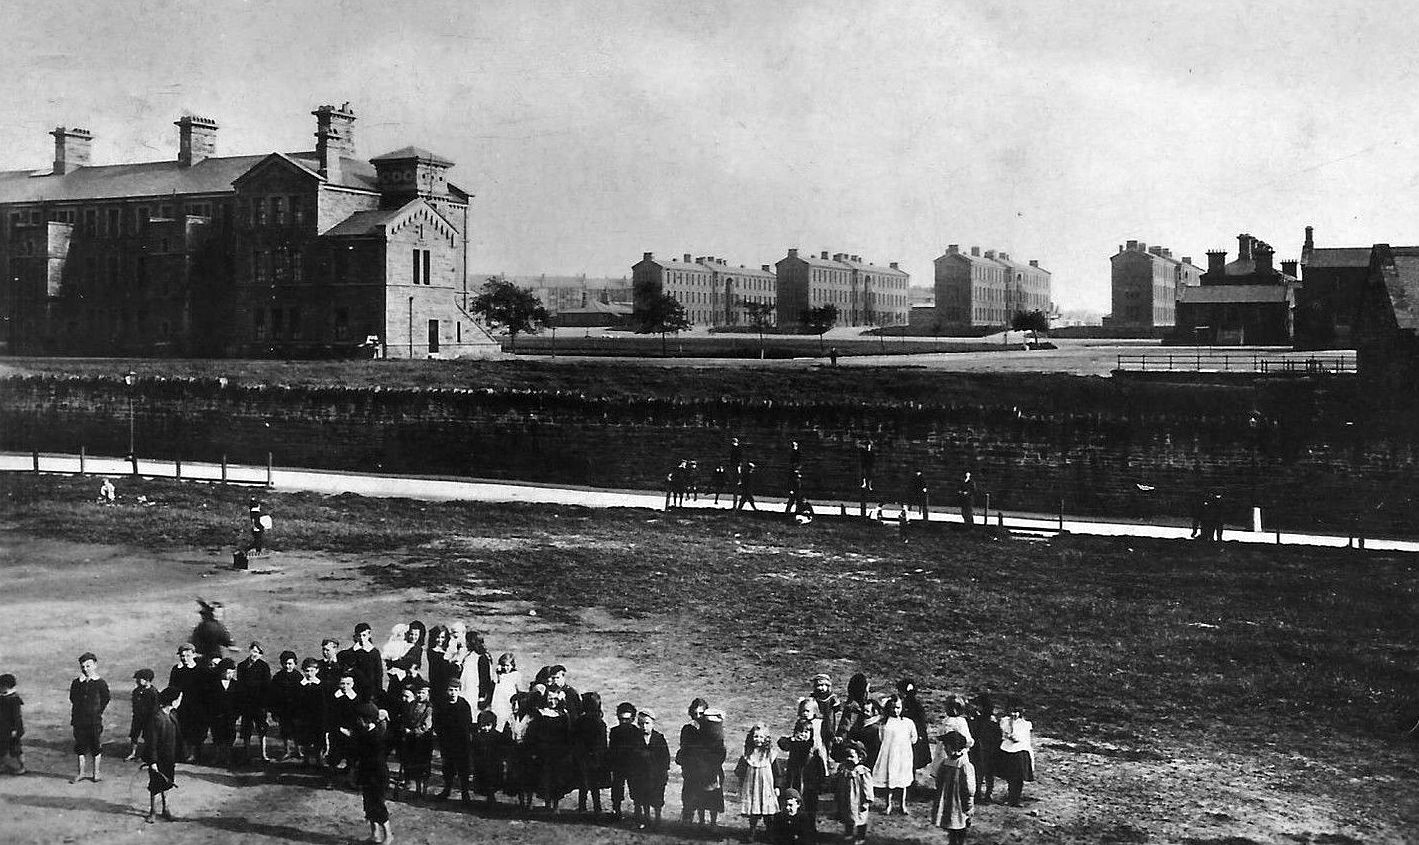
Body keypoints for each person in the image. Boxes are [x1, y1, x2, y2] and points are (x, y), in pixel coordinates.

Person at [347, 701, 392, 844]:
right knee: (368, 804)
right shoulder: (365, 732)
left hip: (377, 775)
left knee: (378, 804)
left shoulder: (375, 735)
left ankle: (388, 835)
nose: (357, 721)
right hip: (367, 773)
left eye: (359, 719)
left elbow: (372, 757)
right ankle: (375, 835)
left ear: (365, 720)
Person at [676, 697, 726, 826]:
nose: (697, 717)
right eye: (695, 714)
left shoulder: (713, 729)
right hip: (693, 768)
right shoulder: (688, 729)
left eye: (701, 714)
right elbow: (685, 747)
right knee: (694, 797)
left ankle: (713, 824)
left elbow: (720, 750)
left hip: (710, 769)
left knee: (712, 797)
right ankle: (696, 821)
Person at [778, 698, 830, 817]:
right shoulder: (798, 729)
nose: (804, 713)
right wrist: (792, 739)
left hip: (811, 769)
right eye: (802, 711)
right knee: (795, 797)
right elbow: (783, 743)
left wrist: (822, 780)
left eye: (807, 711)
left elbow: (823, 738)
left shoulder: (818, 724)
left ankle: (809, 826)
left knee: (810, 800)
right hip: (796, 774)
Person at [873, 694, 918, 815]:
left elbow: (914, 738)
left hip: (903, 755)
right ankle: (888, 805)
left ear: (902, 707)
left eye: (898, 707)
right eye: (893, 708)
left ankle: (902, 805)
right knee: (890, 779)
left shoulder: (908, 723)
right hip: (889, 755)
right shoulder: (884, 723)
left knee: (902, 780)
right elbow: (881, 738)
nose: (895, 710)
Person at [69, 651, 110, 783]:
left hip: (94, 721)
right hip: (79, 720)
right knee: (80, 746)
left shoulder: (100, 683)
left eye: (88, 666)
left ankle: (96, 773)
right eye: (83, 666)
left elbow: (106, 698)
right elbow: (73, 698)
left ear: (95, 665)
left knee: (95, 746)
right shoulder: (76, 683)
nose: (85, 669)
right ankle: (81, 773)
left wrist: (97, 711)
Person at [143, 687, 182, 823]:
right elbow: (151, 742)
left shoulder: (172, 715)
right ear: (173, 701)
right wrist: (152, 762)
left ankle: (166, 809)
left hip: (169, 757)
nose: (180, 701)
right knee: (155, 785)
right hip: (157, 758)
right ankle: (153, 811)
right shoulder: (157, 718)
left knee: (167, 783)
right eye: (179, 698)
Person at [627, 708, 670, 830]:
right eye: (641, 724)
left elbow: (665, 758)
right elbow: (631, 757)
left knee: (657, 799)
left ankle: (657, 818)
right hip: (640, 776)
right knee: (641, 798)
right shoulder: (635, 739)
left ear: (653, 724)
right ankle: (645, 818)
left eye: (647, 723)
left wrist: (663, 773)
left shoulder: (659, 738)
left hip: (656, 775)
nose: (644, 727)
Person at [931, 731, 976, 844]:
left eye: (947, 746)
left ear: (955, 747)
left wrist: (969, 806)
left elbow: (969, 788)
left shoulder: (964, 765)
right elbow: (939, 781)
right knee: (951, 828)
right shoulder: (945, 763)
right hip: (948, 802)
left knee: (960, 828)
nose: (945, 749)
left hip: (960, 803)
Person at [432, 679, 473, 802]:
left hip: (461, 743)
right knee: (448, 767)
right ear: (446, 690)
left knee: (463, 768)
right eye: (450, 690)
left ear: (459, 691)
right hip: (447, 742)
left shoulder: (464, 705)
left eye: (456, 690)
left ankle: (465, 793)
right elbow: (437, 723)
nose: (453, 693)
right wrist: (442, 736)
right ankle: (447, 789)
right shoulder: (441, 705)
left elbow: (468, 723)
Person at [737, 724, 778, 841]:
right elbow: (741, 770)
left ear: (766, 738)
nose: (758, 740)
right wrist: (740, 783)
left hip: (767, 788)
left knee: (768, 813)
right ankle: (752, 833)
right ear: (751, 737)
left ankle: (770, 833)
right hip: (752, 787)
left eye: (761, 737)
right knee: (754, 812)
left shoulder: (770, 754)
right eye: (756, 737)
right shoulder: (748, 753)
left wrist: (777, 786)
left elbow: (777, 772)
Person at [572, 691, 609, 814]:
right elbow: (603, 744)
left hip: (583, 757)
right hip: (596, 758)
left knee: (583, 784)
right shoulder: (600, 722)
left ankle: (582, 808)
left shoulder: (580, 721)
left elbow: (576, 741)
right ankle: (597, 808)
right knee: (595, 786)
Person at [235, 641, 271, 764]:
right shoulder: (242, 666)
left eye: (257, 652)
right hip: (246, 703)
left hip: (259, 703)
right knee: (246, 729)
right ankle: (247, 753)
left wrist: (265, 704)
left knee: (262, 729)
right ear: (249, 650)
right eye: (253, 651)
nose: (254, 654)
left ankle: (263, 754)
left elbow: (267, 686)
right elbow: (240, 685)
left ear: (260, 654)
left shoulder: (264, 666)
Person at [398, 679, 435, 797]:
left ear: (428, 694)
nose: (420, 695)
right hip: (411, 740)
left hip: (423, 740)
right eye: (418, 693)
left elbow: (426, 726)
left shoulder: (429, 708)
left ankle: (422, 790)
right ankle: (414, 786)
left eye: (423, 693)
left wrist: (413, 731)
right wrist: (404, 728)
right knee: (411, 763)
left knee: (423, 765)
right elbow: (405, 719)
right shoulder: (411, 705)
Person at [835, 740, 873, 845]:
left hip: (859, 799)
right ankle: (849, 833)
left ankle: (861, 837)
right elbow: (838, 782)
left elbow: (867, 786)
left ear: (859, 757)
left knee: (861, 816)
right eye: (846, 756)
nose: (848, 759)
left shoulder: (862, 771)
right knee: (848, 815)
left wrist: (868, 798)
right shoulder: (843, 768)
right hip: (846, 797)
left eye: (851, 756)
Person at [997, 698, 1034, 807]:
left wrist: (1011, 732)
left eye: (1016, 712)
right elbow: (1004, 734)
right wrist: (1010, 726)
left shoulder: (1025, 724)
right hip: (1008, 750)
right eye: (1012, 711)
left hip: (1020, 752)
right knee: (1010, 776)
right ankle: (1010, 797)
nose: (1014, 714)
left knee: (1018, 778)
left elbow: (1016, 738)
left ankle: (1015, 798)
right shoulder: (1005, 721)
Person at [607, 701, 640, 820]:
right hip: (619, 765)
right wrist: (610, 764)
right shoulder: (615, 731)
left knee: (635, 789)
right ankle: (616, 810)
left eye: (627, 719)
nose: (624, 722)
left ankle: (637, 811)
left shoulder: (637, 732)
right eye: (622, 719)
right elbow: (611, 749)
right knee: (617, 789)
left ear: (633, 718)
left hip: (633, 765)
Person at [293, 658, 328, 766]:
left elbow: (324, 703)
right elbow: (297, 702)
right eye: (307, 671)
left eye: (312, 671)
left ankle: (319, 760)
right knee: (305, 740)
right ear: (303, 671)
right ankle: (306, 760)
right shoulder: (300, 685)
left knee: (318, 739)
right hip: (305, 718)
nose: (309, 674)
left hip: (318, 717)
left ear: (317, 671)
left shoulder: (321, 685)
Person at [269, 650, 303, 761]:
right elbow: (273, 695)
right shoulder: (278, 677)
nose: (288, 666)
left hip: (296, 709)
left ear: (295, 664)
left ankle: (298, 750)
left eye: (290, 664)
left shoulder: (298, 677)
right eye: (285, 664)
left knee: (297, 730)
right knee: (285, 731)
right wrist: (274, 711)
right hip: (283, 709)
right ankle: (287, 750)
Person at [338, 623, 385, 703]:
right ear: (356, 636)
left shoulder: (374, 653)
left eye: (364, 635)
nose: (362, 638)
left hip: (369, 689)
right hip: (354, 688)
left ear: (369, 635)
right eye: (359, 636)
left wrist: (377, 691)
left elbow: (378, 674)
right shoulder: (349, 652)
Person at [968, 693, 1002, 804]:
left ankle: (987, 794)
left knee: (986, 773)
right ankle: (981, 794)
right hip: (981, 749)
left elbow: (997, 736)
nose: (977, 708)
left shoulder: (989, 721)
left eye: (979, 706)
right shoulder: (980, 719)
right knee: (981, 772)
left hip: (987, 750)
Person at [470, 708, 507, 806]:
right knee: (483, 782)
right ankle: (488, 798)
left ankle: (491, 798)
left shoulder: (497, 736)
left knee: (493, 782)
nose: (486, 728)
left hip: (494, 764)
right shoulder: (477, 737)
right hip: (481, 764)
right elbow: (474, 750)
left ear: (493, 725)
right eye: (483, 726)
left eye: (488, 725)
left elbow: (502, 750)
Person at [897, 678, 933, 771]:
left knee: (911, 758)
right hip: (913, 734)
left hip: (913, 735)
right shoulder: (912, 704)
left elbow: (919, 723)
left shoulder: (911, 705)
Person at [125, 668, 158, 762]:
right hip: (137, 717)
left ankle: (145, 755)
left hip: (149, 719)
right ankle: (133, 753)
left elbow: (155, 707)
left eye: (140, 679)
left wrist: (152, 718)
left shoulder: (153, 692)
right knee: (134, 735)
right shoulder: (136, 691)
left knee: (148, 736)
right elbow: (134, 703)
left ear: (147, 680)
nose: (137, 681)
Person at [489, 652, 523, 730]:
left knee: (509, 721)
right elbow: (494, 684)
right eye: (503, 665)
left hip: (509, 700)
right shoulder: (499, 675)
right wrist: (497, 672)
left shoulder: (516, 675)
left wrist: (517, 702)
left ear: (512, 665)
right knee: (497, 720)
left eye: (508, 665)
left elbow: (519, 690)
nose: (505, 668)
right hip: (499, 701)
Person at [0, 673, 25, 775]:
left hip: (11, 729)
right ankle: (2, 765)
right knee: (2, 747)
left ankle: (21, 766)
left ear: (6, 686)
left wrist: (15, 729)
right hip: (3, 728)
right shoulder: (5, 697)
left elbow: (16, 717)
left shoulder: (13, 699)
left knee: (16, 749)